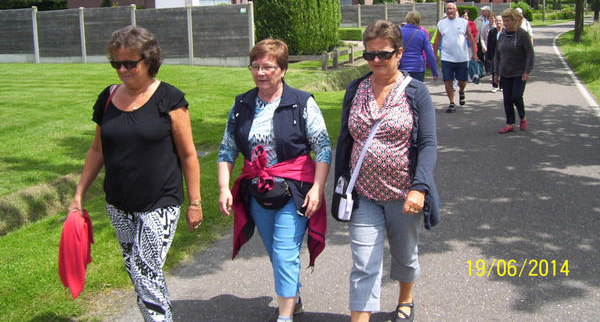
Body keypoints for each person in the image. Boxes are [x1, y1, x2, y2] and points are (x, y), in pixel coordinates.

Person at [68, 26, 202, 322]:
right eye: (117, 63)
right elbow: (97, 151)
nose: (123, 70)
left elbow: (188, 154)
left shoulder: (169, 98)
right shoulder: (107, 98)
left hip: (160, 201)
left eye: (130, 63)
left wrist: (195, 203)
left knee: (145, 270)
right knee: (138, 272)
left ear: (149, 60)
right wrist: (79, 193)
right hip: (118, 203)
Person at [217, 38, 332, 322]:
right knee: (275, 251)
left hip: (295, 189)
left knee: (283, 252)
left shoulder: (301, 102)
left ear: (282, 70)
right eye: (255, 66)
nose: (260, 73)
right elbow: (227, 149)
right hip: (258, 190)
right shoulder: (242, 104)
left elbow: (323, 146)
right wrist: (223, 187)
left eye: (268, 67)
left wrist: (317, 188)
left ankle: (285, 317)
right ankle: (294, 297)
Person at [335, 20, 440, 322]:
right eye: (370, 55)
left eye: (383, 54)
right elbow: (345, 137)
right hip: (363, 194)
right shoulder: (355, 88)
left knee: (405, 255)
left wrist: (419, 188)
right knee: (364, 263)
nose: (376, 61)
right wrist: (340, 181)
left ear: (399, 53)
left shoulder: (416, 92)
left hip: (403, 195)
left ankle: (405, 298)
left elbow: (429, 144)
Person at [494, 9, 535, 133]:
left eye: (507, 21)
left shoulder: (522, 35)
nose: (505, 23)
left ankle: (522, 117)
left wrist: (527, 71)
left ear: (515, 20)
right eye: (504, 21)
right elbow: (497, 54)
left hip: (519, 72)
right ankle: (510, 123)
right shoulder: (502, 35)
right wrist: (496, 73)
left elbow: (530, 53)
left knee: (516, 96)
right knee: (507, 99)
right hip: (505, 72)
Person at [433, 3, 478, 113]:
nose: (449, 11)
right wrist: (435, 55)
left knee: (462, 81)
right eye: (447, 9)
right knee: (448, 80)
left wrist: (474, 53)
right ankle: (451, 102)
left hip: (461, 58)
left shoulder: (463, 22)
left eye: (451, 9)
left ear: (456, 10)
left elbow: (471, 39)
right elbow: (437, 40)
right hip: (446, 58)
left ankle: (461, 91)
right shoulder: (441, 23)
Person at [399, 11, 439, 82]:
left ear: (407, 20)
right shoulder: (422, 34)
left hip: (402, 67)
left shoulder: (398, 32)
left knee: (403, 91)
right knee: (417, 91)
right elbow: (429, 54)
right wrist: (434, 72)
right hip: (417, 68)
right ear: (419, 20)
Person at [486, 16, 502, 92]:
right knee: (494, 69)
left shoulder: (505, 31)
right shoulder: (492, 32)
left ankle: (502, 85)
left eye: (500, 21)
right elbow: (488, 44)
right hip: (494, 53)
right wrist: (488, 56)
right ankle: (495, 85)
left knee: (502, 69)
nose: (498, 22)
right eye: (497, 21)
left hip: (503, 54)